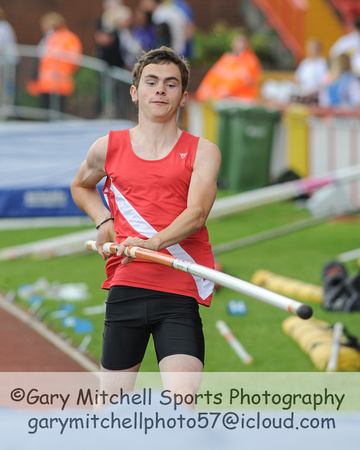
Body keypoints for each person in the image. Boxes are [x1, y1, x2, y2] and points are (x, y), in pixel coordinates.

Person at [70, 47, 221, 398]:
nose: (160, 90)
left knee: (182, 403)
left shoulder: (203, 151)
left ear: (183, 97)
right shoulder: (107, 147)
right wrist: (103, 219)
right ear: (135, 90)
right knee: (111, 408)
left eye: (171, 84)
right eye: (151, 82)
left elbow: (197, 214)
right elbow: (81, 186)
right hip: (126, 286)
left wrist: (152, 244)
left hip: (177, 291)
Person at [26, 12, 82, 113]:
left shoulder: (69, 38)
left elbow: (75, 59)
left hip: (60, 84)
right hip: (45, 84)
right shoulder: (49, 38)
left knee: (59, 113)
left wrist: (60, 56)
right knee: (45, 112)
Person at [195, 31, 262, 102]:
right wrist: (205, 90)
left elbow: (240, 81)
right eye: (237, 42)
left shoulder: (250, 61)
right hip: (223, 98)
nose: (239, 45)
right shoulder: (227, 58)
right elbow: (214, 75)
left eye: (241, 43)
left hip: (242, 99)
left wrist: (223, 91)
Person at [294, 37, 328, 102]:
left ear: (318, 49)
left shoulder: (322, 63)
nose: (310, 50)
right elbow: (297, 77)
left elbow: (324, 82)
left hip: (316, 97)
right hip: (303, 94)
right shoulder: (304, 62)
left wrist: (312, 92)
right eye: (309, 48)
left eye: (313, 48)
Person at [0, 7, 18, 116]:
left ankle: (5, 111)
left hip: (5, 63)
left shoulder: (3, 28)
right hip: (4, 63)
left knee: (4, 88)